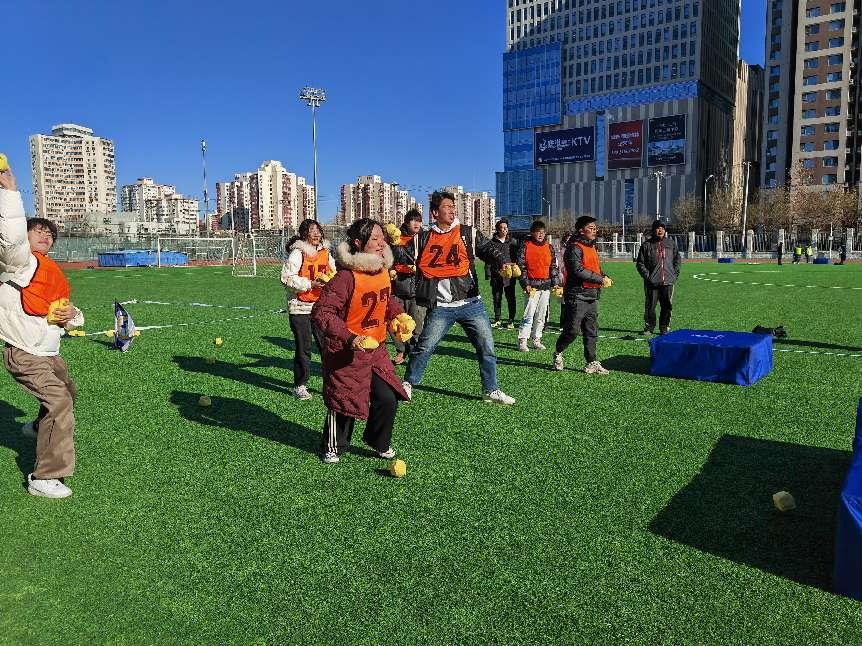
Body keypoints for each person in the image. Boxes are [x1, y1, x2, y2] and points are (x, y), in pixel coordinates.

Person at [0, 164, 85, 498]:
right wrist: (9, 193)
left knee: (68, 393)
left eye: (50, 234)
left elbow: (70, 317)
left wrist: (72, 316)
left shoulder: (50, 271)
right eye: (38, 231)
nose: (45, 235)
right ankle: (44, 477)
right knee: (59, 401)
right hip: (24, 352)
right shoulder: (18, 263)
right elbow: (11, 239)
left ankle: (38, 427)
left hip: (49, 353)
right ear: (25, 236)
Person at [397, 191, 515, 405]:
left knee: (487, 347)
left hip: (471, 303)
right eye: (447, 206)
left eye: (453, 206)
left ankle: (490, 389)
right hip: (441, 306)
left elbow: (489, 249)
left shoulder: (467, 233)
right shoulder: (422, 238)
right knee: (424, 346)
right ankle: (408, 383)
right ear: (435, 213)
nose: (452, 210)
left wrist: (502, 262)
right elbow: (401, 255)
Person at [311, 218, 411, 464]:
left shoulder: (382, 271)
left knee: (387, 397)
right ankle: (333, 445)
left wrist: (398, 316)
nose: (381, 243)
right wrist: (350, 338)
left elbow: (385, 300)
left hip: (376, 349)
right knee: (343, 400)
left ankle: (379, 442)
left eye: (382, 238)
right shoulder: (346, 277)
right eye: (375, 239)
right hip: (346, 351)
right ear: (358, 243)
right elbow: (322, 312)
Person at [280, 218, 336, 401]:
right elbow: (286, 278)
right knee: (304, 349)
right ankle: (300, 385)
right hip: (300, 307)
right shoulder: (297, 253)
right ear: (304, 234)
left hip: (321, 307)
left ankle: (332, 382)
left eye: (318, 230)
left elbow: (334, 274)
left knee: (327, 346)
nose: (316, 233)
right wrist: (310, 284)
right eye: (312, 230)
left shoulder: (326, 253)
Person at [553, 215, 613, 374]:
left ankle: (591, 362)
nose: (594, 231)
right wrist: (600, 279)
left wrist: (604, 276)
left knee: (591, 331)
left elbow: (595, 269)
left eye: (595, 228)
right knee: (572, 331)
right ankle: (558, 351)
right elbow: (578, 270)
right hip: (577, 295)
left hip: (592, 295)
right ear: (581, 230)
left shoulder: (592, 247)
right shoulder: (574, 247)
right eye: (591, 228)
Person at [515, 220, 560, 352]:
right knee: (528, 314)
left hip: (546, 286)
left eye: (543, 232)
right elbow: (521, 267)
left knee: (541, 315)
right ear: (532, 233)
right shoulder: (525, 246)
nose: (540, 234)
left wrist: (555, 283)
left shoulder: (549, 247)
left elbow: (553, 267)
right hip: (532, 287)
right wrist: (525, 284)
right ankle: (523, 340)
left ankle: (537, 339)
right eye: (538, 232)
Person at [388, 209, 426, 365]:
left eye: (419, 220)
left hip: (418, 289)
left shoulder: (424, 238)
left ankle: (415, 353)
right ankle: (401, 351)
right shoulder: (395, 238)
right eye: (413, 220)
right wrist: (392, 269)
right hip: (397, 288)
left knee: (417, 325)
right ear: (406, 222)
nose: (417, 223)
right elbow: (388, 259)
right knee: (396, 324)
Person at [635, 219, 682, 336]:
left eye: (662, 228)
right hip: (652, 283)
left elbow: (677, 260)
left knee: (667, 306)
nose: (660, 230)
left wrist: (674, 274)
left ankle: (664, 327)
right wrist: (648, 277)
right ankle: (649, 327)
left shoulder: (671, 244)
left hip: (668, 282)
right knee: (650, 307)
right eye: (658, 228)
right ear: (653, 230)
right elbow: (640, 263)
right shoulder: (646, 245)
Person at [486, 219, 519, 329]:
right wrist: (488, 273)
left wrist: (516, 268)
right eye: (502, 228)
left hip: (509, 275)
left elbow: (517, 258)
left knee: (511, 298)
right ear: (498, 230)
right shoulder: (492, 243)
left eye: (506, 228)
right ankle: (497, 319)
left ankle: (511, 320)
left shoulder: (513, 242)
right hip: (496, 274)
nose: (504, 230)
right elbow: (488, 259)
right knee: (497, 298)